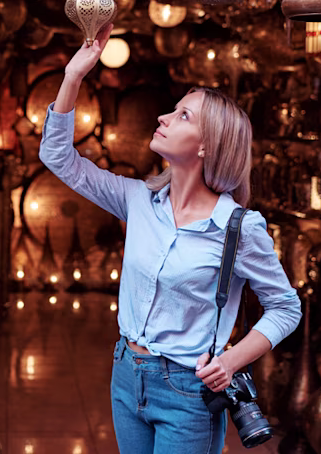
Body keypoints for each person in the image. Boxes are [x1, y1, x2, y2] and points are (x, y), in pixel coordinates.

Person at [38, 24, 302, 454]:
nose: (163, 116)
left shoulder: (238, 227)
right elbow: (58, 157)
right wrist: (73, 76)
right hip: (127, 374)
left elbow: (285, 308)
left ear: (206, 146)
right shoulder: (139, 199)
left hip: (188, 392)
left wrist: (231, 361)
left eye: (183, 116)